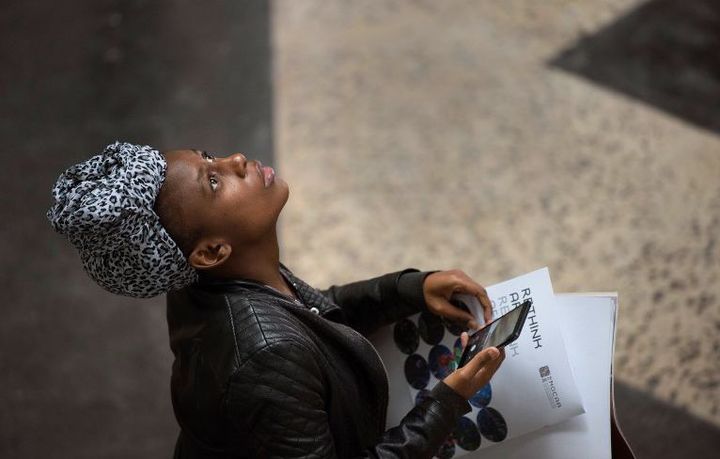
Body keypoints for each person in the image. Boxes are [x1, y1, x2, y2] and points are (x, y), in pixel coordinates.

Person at [47, 141, 506, 458]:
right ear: (210, 251)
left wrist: (408, 289)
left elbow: (315, 314)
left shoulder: (214, 276)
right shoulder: (265, 354)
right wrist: (448, 401)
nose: (238, 159)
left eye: (211, 157)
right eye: (214, 181)